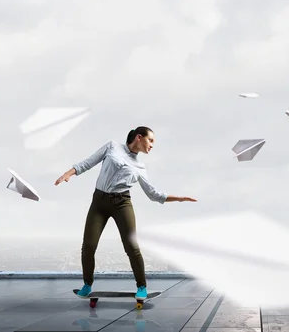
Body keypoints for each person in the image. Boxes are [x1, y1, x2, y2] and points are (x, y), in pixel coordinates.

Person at [54, 126, 197, 300]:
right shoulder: (112, 146)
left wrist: (180, 198)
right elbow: (88, 162)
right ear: (139, 137)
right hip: (99, 202)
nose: (152, 145)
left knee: (131, 246)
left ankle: (142, 286)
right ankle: (87, 284)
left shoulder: (140, 167)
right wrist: (68, 174)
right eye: (150, 140)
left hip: (122, 204)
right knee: (88, 246)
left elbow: (154, 195)